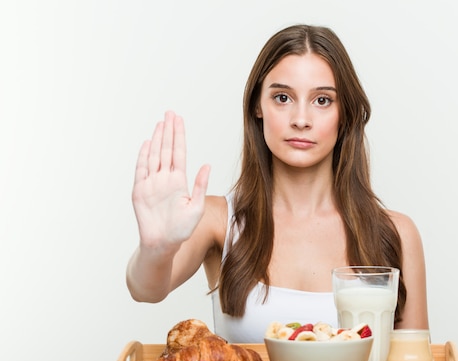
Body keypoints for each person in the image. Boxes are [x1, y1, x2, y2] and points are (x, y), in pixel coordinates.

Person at [126, 24, 429, 342]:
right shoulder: (217, 220)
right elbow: (145, 289)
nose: (301, 119)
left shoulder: (396, 234)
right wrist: (155, 248)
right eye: (282, 97)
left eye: (322, 100)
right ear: (258, 106)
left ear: (346, 113)